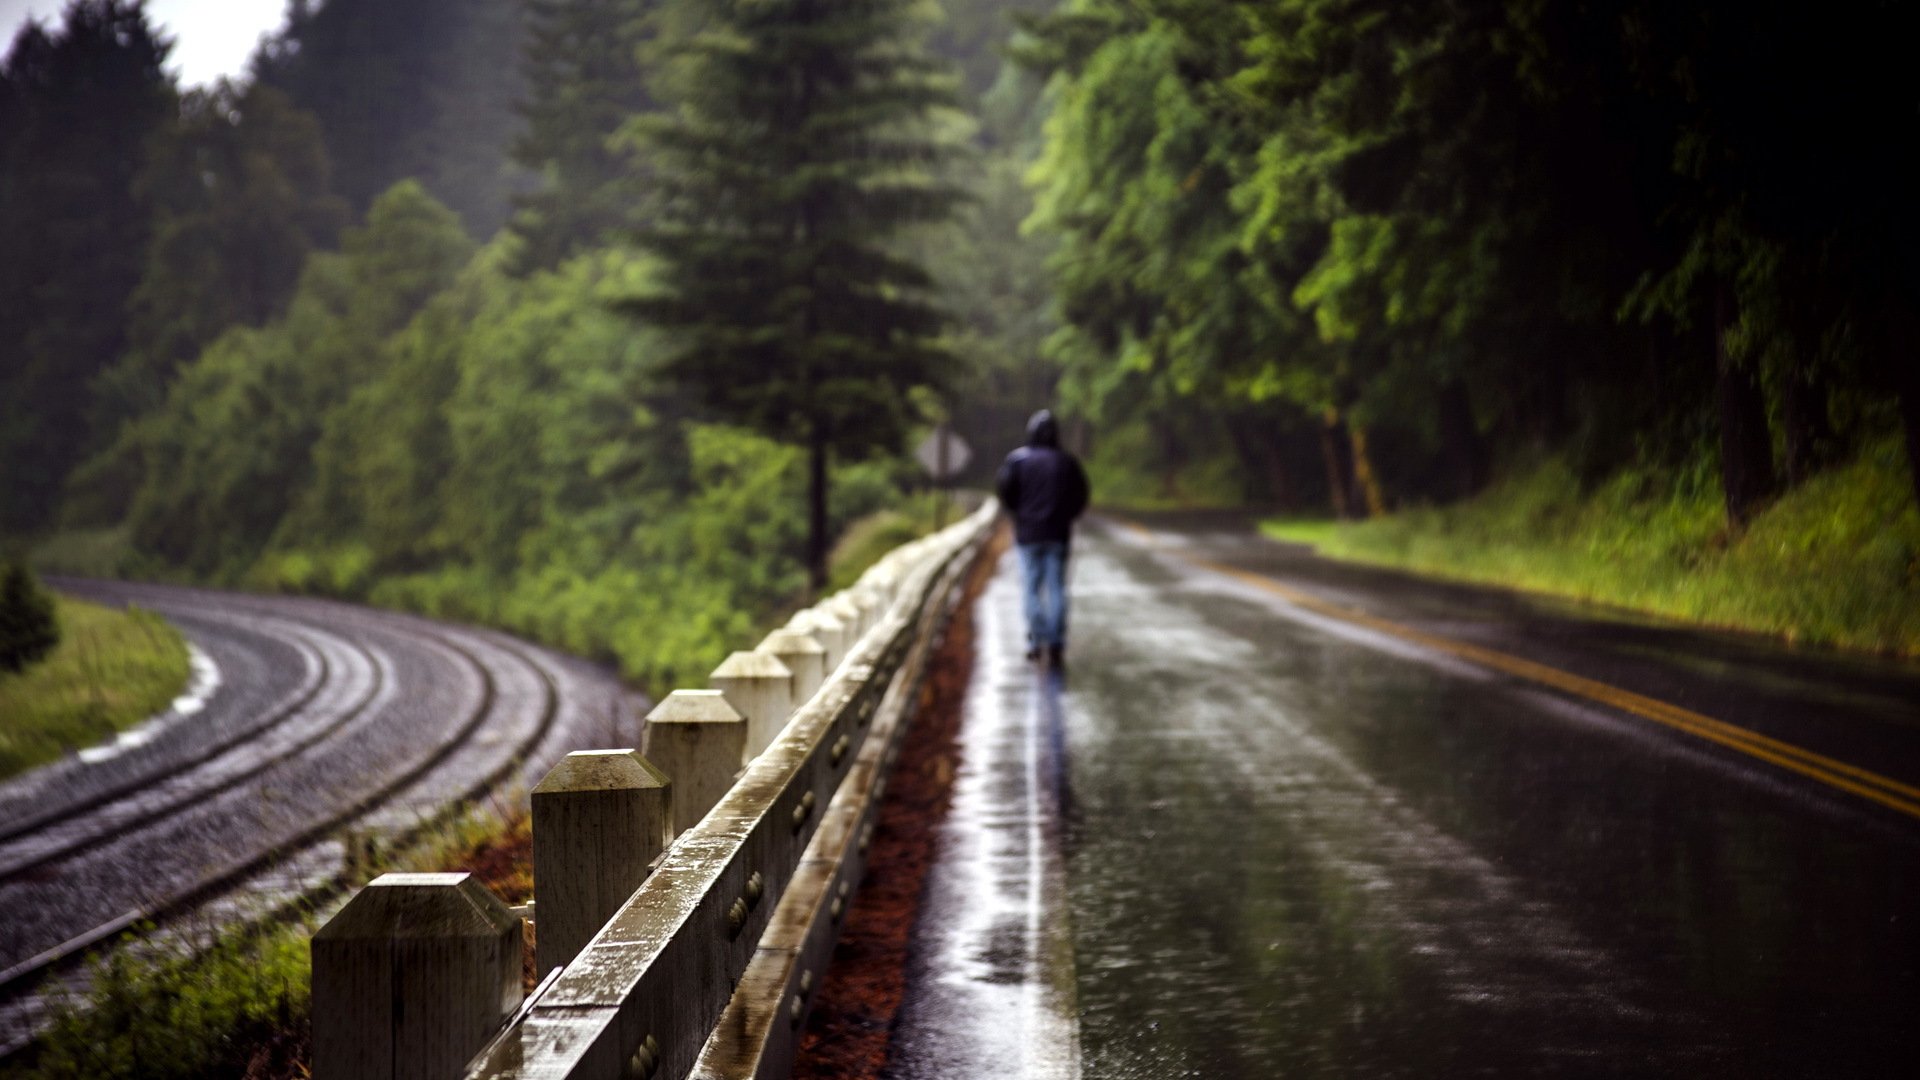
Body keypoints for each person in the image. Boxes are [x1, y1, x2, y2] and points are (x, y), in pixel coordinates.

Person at [995, 409, 1090, 667]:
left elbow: (1005, 493)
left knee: (1030, 588)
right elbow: (1081, 495)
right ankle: (1056, 642)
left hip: (1028, 536)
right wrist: (1068, 515)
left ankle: (1037, 640)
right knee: (1057, 588)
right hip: (1058, 534)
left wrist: (1019, 515)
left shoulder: (1017, 461)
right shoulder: (1067, 462)